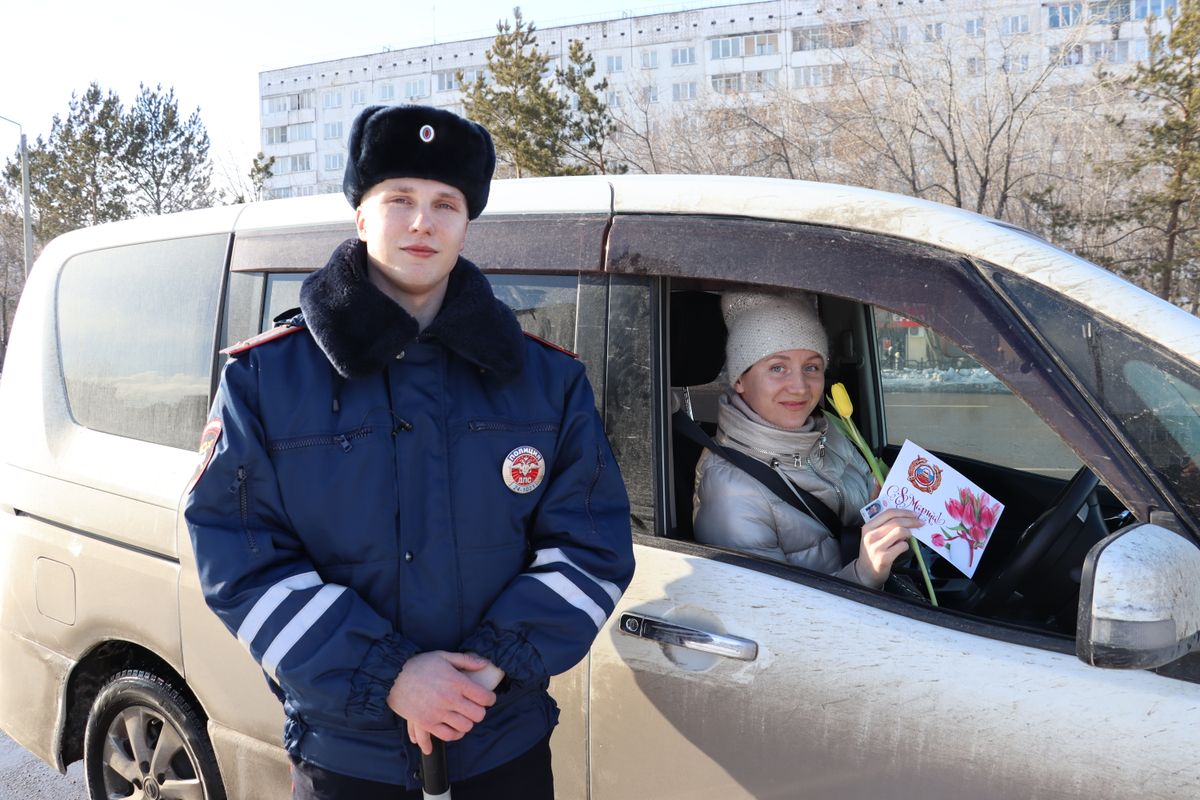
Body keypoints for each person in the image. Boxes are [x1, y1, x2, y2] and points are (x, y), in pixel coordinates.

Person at [184, 104, 635, 800]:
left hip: (501, 749)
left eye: (445, 204)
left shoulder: (546, 381)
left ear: (466, 223)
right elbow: (237, 553)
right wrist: (388, 674)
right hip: (347, 761)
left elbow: (591, 545)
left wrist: (488, 665)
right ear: (361, 216)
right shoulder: (266, 380)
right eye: (399, 200)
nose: (422, 222)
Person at [693, 291, 917, 589]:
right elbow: (772, 619)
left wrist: (880, 510)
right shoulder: (731, 492)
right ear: (739, 379)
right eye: (777, 367)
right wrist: (863, 575)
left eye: (811, 367)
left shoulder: (831, 431)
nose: (800, 387)